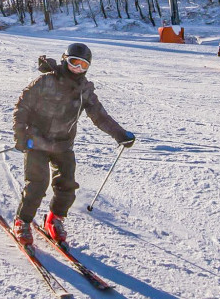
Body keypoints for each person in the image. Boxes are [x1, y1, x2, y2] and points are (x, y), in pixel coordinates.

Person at [11, 43, 135, 247]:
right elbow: (22, 106)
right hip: (37, 142)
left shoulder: (84, 90)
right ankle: (22, 221)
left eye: (82, 65)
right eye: (73, 62)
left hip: (62, 144)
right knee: (37, 184)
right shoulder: (46, 81)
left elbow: (99, 116)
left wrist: (120, 134)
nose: (77, 68)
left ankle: (54, 219)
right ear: (64, 59)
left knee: (67, 185)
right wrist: (20, 134)